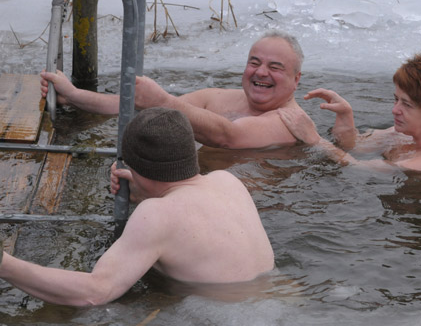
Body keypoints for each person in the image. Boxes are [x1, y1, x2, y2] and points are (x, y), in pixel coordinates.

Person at [0, 107, 274, 306]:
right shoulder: (227, 181)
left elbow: (95, 292)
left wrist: (5, 265)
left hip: (222, 316)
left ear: (135, 166)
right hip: (276, 299)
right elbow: (185, 214)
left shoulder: (156, 215)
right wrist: (143, 186)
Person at [40, 30, 307, 149]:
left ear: (296, 80)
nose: (261, 72)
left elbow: (229, 137)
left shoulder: (289, 121)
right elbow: (128, 104)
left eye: (275, 67)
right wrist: (73, 96)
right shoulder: (217, 97)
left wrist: (164, 101)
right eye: (254, 62)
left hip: (243, 214)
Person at [278, 52, 421, 172]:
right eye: (396, 99)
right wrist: (346, 119)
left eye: (407, 105)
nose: (395, 110)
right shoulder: (414, 132)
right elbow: (355, 148)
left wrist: (315, 140)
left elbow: (358, 168)